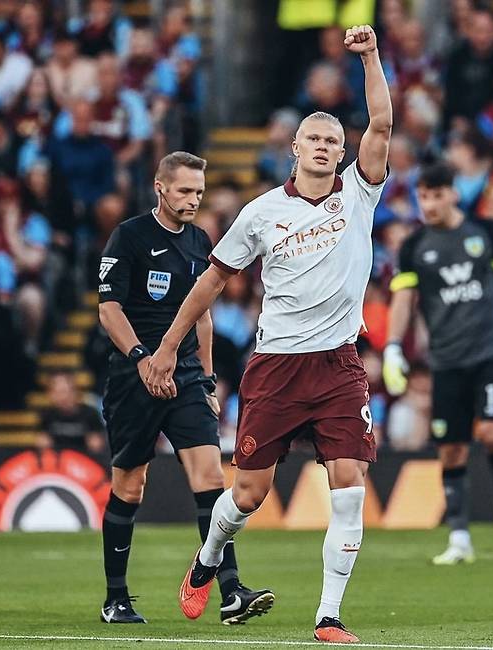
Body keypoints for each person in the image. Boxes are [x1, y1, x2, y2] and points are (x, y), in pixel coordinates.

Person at [145, 25, 391, 644]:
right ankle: (206, 562)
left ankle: (328, 616)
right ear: (293, 146)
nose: (323, 146)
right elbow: (210, 283)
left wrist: (370, 58)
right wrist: (171, 345)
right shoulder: (260, 212)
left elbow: (383, 125)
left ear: (343, 153)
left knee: (349, 485)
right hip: (277, 366)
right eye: (313, 137)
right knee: (249, 495)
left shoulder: (360, 193)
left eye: (333, 140)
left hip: (338, 366)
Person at [96, 151, 274, 624]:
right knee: (130, 485)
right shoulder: (129, 237)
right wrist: (141, 358)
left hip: (186, 376)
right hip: (133, 375)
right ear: (161, 188)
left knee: (211, 479)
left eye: (199, 191)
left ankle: (232, 590)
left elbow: (204, 316)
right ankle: (116, 598)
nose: (194, 199)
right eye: (184, 191)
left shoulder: (199, 241)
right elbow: (109, 309)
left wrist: (209, 379)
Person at [382, 162, 493, 565]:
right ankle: (459, 537)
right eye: (423, 196)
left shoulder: (485, 232)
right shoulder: (414, 245)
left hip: (489, 351)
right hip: (446, 359)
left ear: (453, 193)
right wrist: (392, 348)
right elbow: (403, 300)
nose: (429, 204)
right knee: (451, 449)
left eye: (436, 195)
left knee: (492, 433)